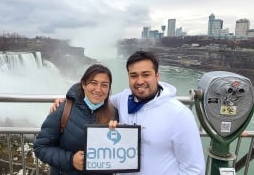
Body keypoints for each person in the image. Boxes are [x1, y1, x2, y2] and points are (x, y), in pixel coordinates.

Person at [51, 51, 206, 175]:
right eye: (134, 76)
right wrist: (68, 100)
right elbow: (97, 98)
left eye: (146, 74)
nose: (139, 81)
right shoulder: (123, 99)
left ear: (157, 76)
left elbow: (194, 169)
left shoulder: (179, 115)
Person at [34, 64, 119, 175]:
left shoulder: (113, 113)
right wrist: (71, 160)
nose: (98, 89)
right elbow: (40, 148)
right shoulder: (64, 109)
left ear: (109, 88)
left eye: (104, 85)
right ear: (83, 84)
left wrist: (120, 134)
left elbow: (119, 152)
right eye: (93, 83)